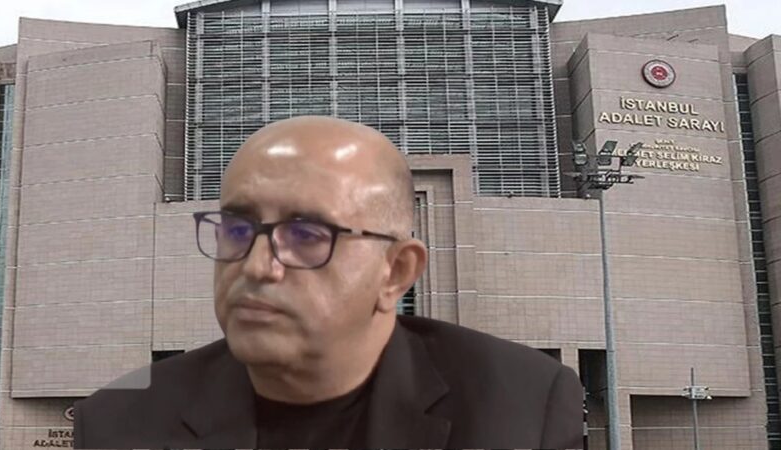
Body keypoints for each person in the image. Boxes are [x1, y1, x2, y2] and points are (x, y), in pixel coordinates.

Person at [73, 116, 584, 449]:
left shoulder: (520, 408)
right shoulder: (120, 422)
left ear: (395, 272)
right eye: (237, 229)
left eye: (306, 235)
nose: (257, 267)